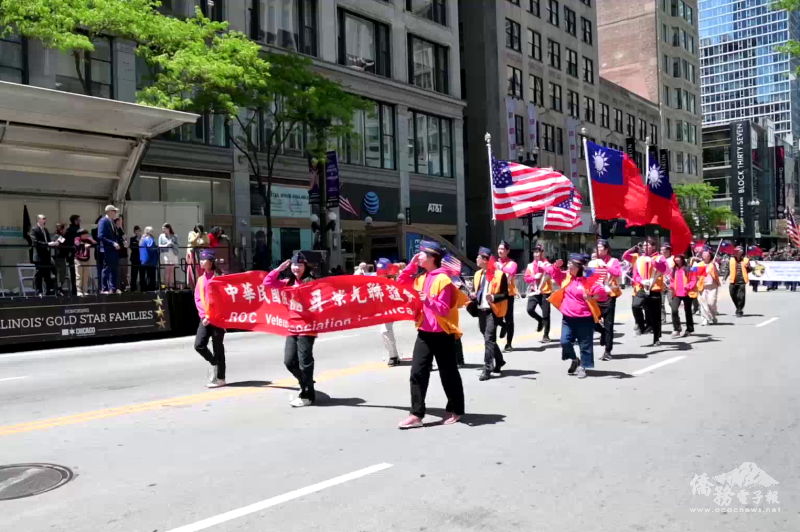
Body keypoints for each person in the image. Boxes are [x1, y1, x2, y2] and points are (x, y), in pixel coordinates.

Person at [396, 241, 464, 429]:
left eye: (422, 254)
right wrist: (411, 266)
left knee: (448, 373)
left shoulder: (444, 279)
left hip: (442, 333)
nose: (419, 256)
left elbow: (443, 309)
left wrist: (429, 300)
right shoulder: (421, 277)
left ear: (432, 257)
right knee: (417, 372)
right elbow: (401, 283)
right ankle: (416, 414)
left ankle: (456, 409)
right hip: (424, 332)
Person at [263, 253, 318, 407]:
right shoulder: (287, 282)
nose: (296, 268)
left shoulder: (311, 282)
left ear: (305, 267)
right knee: (289, 361)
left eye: (300, 265)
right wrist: (279, 269)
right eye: (294, 265)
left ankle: (307, 394)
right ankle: (306, 382)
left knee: (304, 362)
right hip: (292, 326)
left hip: (307, 327)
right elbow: (267, 283)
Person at [545, 254, 607, 379]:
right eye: (567, 263)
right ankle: (575, 359)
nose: (568, 266)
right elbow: (551, 272)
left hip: (585, 318)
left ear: (578, 266)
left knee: (585, 345)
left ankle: (583, 367)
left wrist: (592, 296)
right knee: (565, 342)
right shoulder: (567, 277)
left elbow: (602, 293)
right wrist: (556, 266)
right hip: (568, 318)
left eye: (570, 264)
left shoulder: (589, 279)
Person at [473, 247, 510, 381]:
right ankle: (499, 360)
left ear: (485, 260)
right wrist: (473, 295)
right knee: (488, 339)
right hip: (481, 310)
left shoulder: (499, 275)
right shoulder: (477, 274)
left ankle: (487, 368)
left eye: (479, 257)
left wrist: (494, 298)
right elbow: (476, 291)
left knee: (488, 338)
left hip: (493, 311)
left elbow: (506, 294)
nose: (476, 259)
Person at [623, 238, 668, 346]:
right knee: (635, 306)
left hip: (655, 288)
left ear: (653, 247)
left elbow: (664, 269)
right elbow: (636, 274)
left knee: (655, 315)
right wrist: (642, 281)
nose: (645, 247)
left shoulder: (659, 257)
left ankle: (656, 338)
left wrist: (652, 262)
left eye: (648, 245)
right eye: (644, 246)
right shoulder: (639, 259)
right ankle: (641, 324)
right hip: (642, 287)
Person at [194, 249, 227, 388]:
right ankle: (215, 363)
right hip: (205, 318)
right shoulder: (201, 279)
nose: (201, 262)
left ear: (211, 262)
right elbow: (198, 298)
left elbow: (224, 299)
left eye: (204, 259)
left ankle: (220, 378)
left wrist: (211, 315)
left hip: (218, 318)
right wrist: (203, 316)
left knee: (217, 347)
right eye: (200, 259)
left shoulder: (220, 277)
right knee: (199, 345)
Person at [588, 239, 623, 361]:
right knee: (591, 321)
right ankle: (601, 331)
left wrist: (605, 266)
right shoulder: (593, 262)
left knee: (609, 325)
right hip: (596, 295)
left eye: (601, 248)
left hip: (609, 296)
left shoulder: (613, 261)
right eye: (597, 248)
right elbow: (588, 277)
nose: (598, 251)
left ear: (607, 249)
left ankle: (608, 351)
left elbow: (618, 273)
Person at [524, 244, 553, 343]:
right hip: (534, 291)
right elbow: (526, 278)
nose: (536, 254)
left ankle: (546, 335)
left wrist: (543, 267)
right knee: (529, 309)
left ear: (542, 252)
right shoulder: (530, 265)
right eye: (535, 252)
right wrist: (534, 277)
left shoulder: (547, 264)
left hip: (545, 291)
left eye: (538, 252)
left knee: (546, 314)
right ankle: (540, 320)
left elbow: (551, 271)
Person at [376, 258, 401, 366]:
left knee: (385, 331)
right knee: (386, 331)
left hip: (394, 309)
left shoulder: (395, 278)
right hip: (384, 309)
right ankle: (394, 355)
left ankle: (393, 356)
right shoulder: (377, 280)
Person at [496, 240, 518, 352]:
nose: (500, 251)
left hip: (508, 294)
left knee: (509, 319)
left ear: (507, 251)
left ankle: (509, 344)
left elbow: (510, 272)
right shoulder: (495, 263)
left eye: (503, 249)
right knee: (496, 318)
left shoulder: (512, 263)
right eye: (499, 249)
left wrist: (500, 267)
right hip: (497, 294)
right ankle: (503, 326)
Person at [29, 214, 58, 296]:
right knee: (39, 275)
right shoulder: (34, 229)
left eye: (45, 219)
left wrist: (53, 243)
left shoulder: (45, 230)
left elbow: (48, 241)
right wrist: (48, 244)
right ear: (38, 220)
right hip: (39, 256)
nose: (45, 220)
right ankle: (39, 292)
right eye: (43, 219)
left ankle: (48, 291)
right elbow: (35, 242)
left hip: (47, 255)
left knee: (47, 274)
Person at [669, 255, 697, 338]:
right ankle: (676, 329)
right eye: (675, 258)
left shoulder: (689, 268)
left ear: (682, 259)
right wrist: (671, 285)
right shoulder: (674, 269)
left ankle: (689, 329)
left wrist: (688, 286)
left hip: (687, 293)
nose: (676, 259)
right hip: (676, 293)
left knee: (688, 311)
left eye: (678, 257)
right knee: (674, 310)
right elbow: (671, 280)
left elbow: (694, 279)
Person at [97, 205, 121, 294]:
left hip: (114, 249)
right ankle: (104, 288)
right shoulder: (103, 221)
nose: (116, 213)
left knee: (114, 269)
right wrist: (112, 243)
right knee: (106, 268)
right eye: (114, 211)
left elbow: (115, 235)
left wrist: (121, 241)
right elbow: (100, 236)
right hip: (107, 249)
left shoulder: (112, 222)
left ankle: (113, 288)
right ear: (110, 211)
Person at [695, 249, 720, 326]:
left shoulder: (714, 264)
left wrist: (714, 266)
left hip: (712, 286)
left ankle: (712, 315)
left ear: (710, 256)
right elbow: (693, 273)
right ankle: (704, 319)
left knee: (711, 303)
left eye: (706, 255)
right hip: (702, 286)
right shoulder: (699, 264)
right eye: (703, 254)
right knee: (703, 303)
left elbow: (718, 274)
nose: (704, 256)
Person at [727, 246, 752, 317]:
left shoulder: (746, 260)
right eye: (735, 251)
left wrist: (748, 267)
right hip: (733, 281)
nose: (735, 252)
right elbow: (727, 269)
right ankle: (738, 307)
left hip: (742, 281)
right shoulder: (731, 259)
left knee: (741, 296)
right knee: (732, 294)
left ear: (741, 252)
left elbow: (750, 270)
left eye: (737, 251)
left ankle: (739, 310)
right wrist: (724, 278)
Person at [73, 228, 95, 296]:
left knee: (86, 276)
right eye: (85, 234)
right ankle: (79, 291)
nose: (87, 235)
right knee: (79, 276)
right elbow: (77, 244)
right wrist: (84, 245)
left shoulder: (88, 239)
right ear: (81, 235)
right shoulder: (77, 238)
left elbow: (95, 243)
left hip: (86, 260)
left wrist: (90, 243)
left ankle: (85, 290)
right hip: (78, 260)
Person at [64, 215, 81, 296]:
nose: (80, 220)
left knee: (77, 273)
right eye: (78, 219)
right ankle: (76, 290)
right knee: (74, 273)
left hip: (77, 254)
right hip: (73, 255)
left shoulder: (74, 229)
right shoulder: (71, 229)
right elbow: (66, 242)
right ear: (75, 220)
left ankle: (77, 290)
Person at [159, 223, 179, 289]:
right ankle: (165, 285)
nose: (163, 230)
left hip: (172, 253)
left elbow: (177, 245)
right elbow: (159, 245)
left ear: (168, 228)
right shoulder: (161, 236)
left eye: (164, 228)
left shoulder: (174, 236)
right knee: (166, 270)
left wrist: (172, 244)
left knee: (171, 270)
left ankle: (171, 285)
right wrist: (166, 245)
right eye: (162, 229)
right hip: (165, 253)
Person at [659, 243, 675, 324]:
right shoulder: (659, 259)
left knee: (671, 302)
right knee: (660, 303)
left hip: (670, 284)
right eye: (661, 250)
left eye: (663, 250)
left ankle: (674, 317)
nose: (661, 252)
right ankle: (662, 319)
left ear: (668, 250)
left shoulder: (674, 259)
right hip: (660, 284)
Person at [139, 227, 159, 291]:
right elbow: (151, 248)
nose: (153, 231)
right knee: (151, 276)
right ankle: (151, 289)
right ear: (148, 231)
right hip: (150, 260)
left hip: (143, 260)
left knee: (143, 275)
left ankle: (143, 288)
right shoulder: (149, 238)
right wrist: (157, 248)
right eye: (152, 230)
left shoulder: (142, 239)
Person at [53, 222, 69, 295]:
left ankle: (60, 288)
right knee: (60, 274)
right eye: (65, 228)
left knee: (62, 274)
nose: (66, 230)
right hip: (58, 258)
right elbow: (62, 243)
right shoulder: (58, 236)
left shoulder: (60, 236)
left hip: (61, 257)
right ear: (61, 230)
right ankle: (59, 289)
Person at [115, 217, 129, 291]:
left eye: (121, 221)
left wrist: (126, 241)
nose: (120, 223)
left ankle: (124, 287)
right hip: (118, 255)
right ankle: (118, 287)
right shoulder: (114, 230)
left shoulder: (122, 230)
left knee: (124, 273)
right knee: (118, 273)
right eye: (119, 221)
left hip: (124, 255)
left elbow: (124, 240)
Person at [129, 226, 143, 292]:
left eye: (138, 230)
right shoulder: (132, 239)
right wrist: (138, 246)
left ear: (140, 231)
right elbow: (132, 248)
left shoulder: (143, 239)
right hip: (134, 258)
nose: (137, 232)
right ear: (134, 232)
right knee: (134, 274)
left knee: (142, 274)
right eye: (136, 231)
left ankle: (142, 288)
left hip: (142, 259)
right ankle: (133, 288)